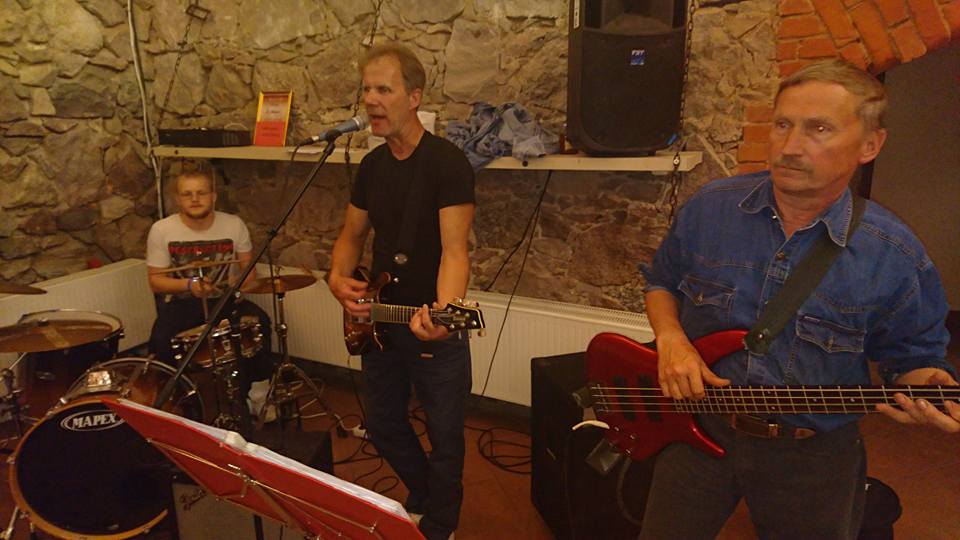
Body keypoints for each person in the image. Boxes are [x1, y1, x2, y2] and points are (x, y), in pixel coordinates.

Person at [638, 59, 959, 539]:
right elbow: (661, 281)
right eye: (783, 125)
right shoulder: (710, 208)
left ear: (870, 145)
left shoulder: (895, 254)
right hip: (698, 431)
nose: (789, 147)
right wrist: (671, 339)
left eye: (819, 129)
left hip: (814, 458)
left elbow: (913, 359)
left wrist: (929, 388)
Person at [327, 43, 475, 540]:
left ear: (414, 97)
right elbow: (351, 236)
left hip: (431, 321)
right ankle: (426, 494)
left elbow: (455, 252)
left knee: (446, 436)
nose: (371, 99)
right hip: (381, 321)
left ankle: (441, 525)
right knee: (384, 424)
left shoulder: (447, 163)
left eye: (383, 89)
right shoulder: (371, 166)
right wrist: (337, 278)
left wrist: (445, 315)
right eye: (366, 89)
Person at [146, 168, 274, 419]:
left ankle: (258, 396)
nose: (195, 199)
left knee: (260, 322)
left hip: (224, 299)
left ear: (213, 196)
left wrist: (238, 283)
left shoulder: (234, 224)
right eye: (187, 194)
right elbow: (156, 282)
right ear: (178, 199)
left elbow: (249, 273)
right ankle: (174, 403)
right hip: (184, 301)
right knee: (160, 339)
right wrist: (190, 285)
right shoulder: (161, 230)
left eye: (201, 193)